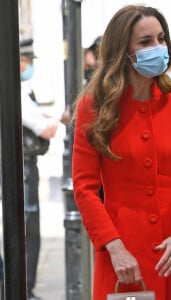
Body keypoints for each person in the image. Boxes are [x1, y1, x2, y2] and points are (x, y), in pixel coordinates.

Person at [72, 5, 171, 300]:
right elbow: (84, 188)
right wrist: (113, 247)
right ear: (123, 50)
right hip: (122, 253)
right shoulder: (94, 107)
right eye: (145, 42)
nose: (158, 47)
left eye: (161, 39)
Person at [20, 38, 64, 300]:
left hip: (26, 167)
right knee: (28, 230)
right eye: (27, 62)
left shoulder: (23, 93)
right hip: (24, 170)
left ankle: (26, 286)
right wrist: (61, 123)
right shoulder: (18, 94)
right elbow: (44, 128)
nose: (30, 67)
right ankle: (25, 287)